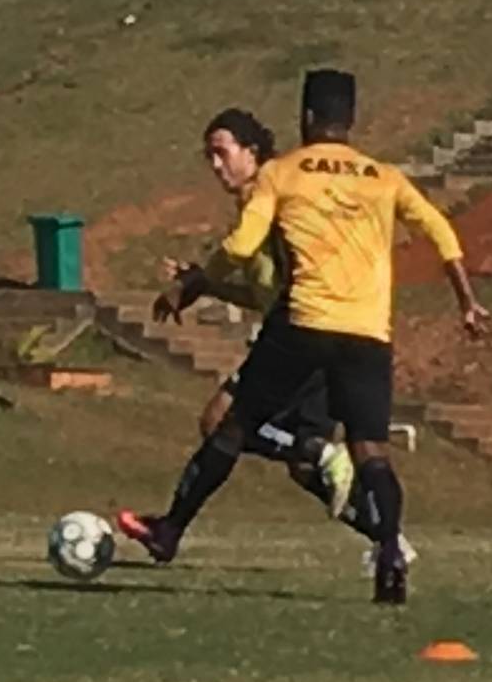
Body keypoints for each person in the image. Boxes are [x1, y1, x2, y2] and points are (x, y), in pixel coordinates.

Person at [117, 69, 486, 605]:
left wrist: (195, 280)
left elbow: (242, 247)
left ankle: (171, 529)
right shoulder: (383, 176)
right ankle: (388, 555)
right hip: (367, 331)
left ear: (307, 118)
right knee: (373, 452)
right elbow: (438, 230)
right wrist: (466, 300)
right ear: (351, 119)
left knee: (232, 424)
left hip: (305, 322)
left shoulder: (283, 173)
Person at [153, 107, 361, 530]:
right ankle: (388, 537)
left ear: (251, 152)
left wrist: (202, 279)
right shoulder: (263, 198)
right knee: (302, 469)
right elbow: (261, 292)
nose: (215, 165)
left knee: (221, 422)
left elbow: (278, 269)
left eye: (221, 153)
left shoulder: (270, 200)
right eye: (208, 156)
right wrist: (206, 286)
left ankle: (169, 530)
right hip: (309, 333)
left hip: (303, 336)